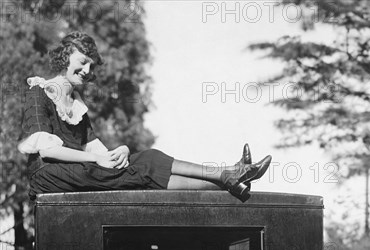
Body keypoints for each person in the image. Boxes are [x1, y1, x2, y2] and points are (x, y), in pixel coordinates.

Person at [18, 32, 271, 203]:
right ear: (66, 56)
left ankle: (227, 175)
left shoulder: (77, 104)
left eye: (92, 67)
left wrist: (122, 151)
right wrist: (97, 159)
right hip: (48, 175)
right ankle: (228, 180)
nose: (87, 71)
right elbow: (49, 152)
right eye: (83, 62)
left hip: (76, 171)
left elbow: (98, 150)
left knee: (146, 158)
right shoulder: (39, 93)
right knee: (138, 176)